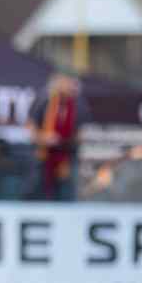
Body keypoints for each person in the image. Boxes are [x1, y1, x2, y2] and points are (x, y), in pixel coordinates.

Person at [26, 73, 92, 201]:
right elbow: (31, 126)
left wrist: (70, 140)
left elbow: (84, 130)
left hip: (67, 156)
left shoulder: (78, 104)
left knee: (67, 190)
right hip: (44, 154)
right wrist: (43, 137)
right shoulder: (44, 100)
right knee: (39, 189)